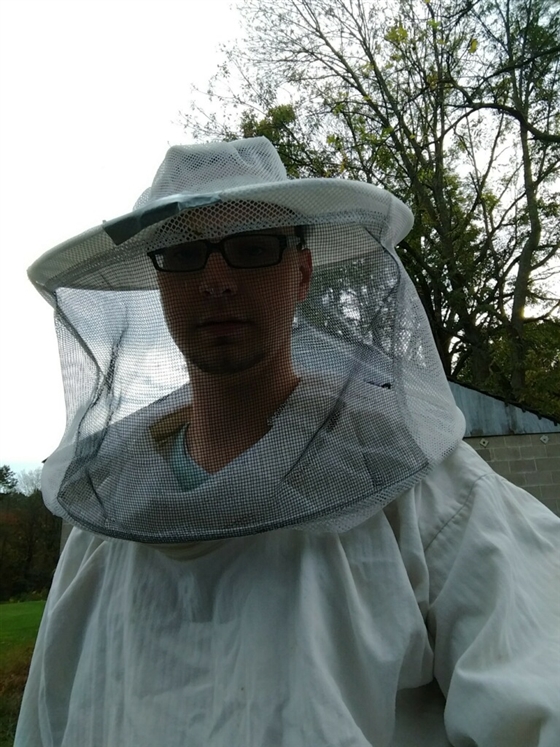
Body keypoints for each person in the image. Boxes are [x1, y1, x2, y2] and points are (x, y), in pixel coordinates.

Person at [16, 137, 559, 746]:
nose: (216, 281)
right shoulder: (106, 514)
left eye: (251, 249)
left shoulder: (425, 489)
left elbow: (538, 699)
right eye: (186, 254)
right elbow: (47, 721)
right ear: (160, 282)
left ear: (300, 275)